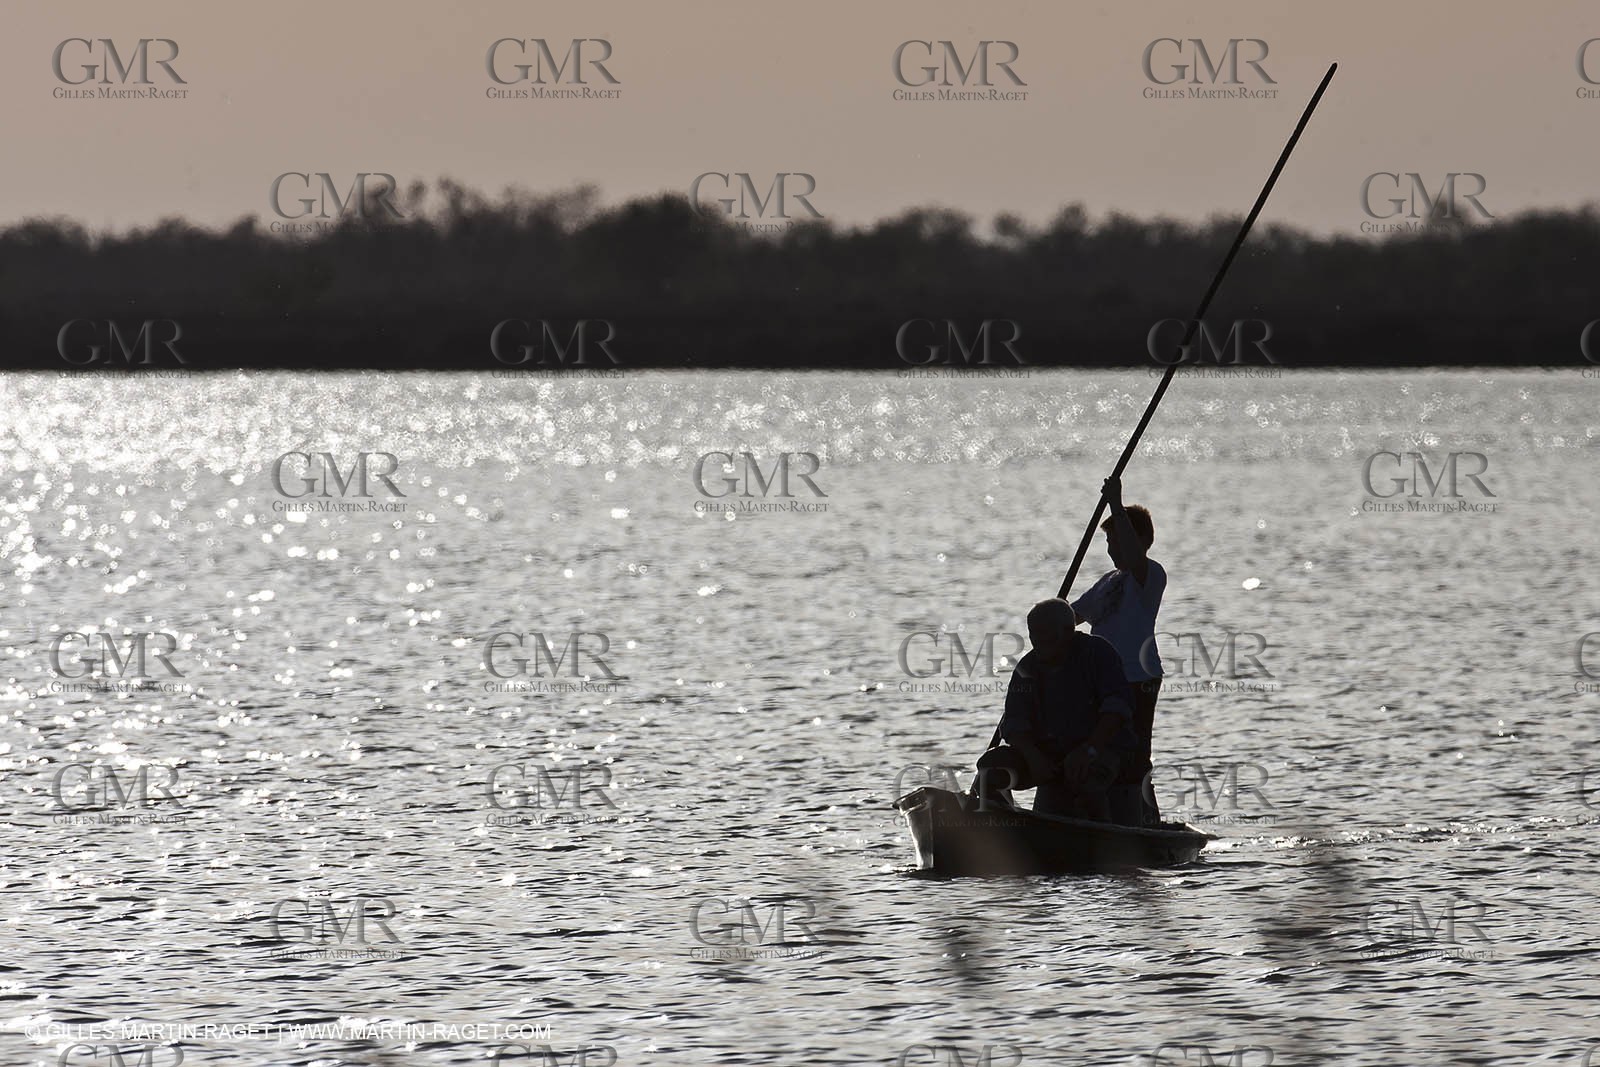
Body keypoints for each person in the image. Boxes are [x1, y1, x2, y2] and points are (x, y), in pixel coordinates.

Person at [971, 598, 1138, 823]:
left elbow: (1117, 708)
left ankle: (1106, 837)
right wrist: (1033, 758)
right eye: (1033, 634)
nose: (1038, 641)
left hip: (1100, 751)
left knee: (1087, 780)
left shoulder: (1098, 654)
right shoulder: (1026, 669)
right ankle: (1007, 834)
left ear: (1069, 631)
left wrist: (1089, 750)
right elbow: (1014, 723)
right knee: (990, 768)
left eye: (1046, 634)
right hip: (1046, 757)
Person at [1071, 476, 1167, 824]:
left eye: (1116, 541)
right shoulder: (1108, 581)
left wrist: (1115, 501)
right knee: (1101, 747)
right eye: (1108, 542)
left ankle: (1146, 818)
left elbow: (1133, 553)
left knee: (1136, 751)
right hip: (1103, 679)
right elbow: (1075, 615)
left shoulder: (1150, 575)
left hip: (1138, 676)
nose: (1112, 549)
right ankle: (1103, 814)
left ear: (1139, 541)